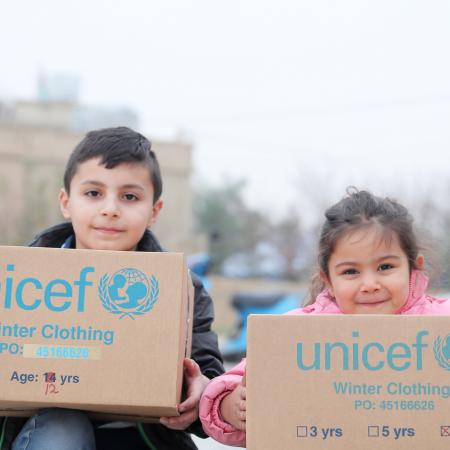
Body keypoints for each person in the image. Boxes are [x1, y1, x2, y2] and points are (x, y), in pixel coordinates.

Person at [1, 126, 223, 450]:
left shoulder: (181, 290)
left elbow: (210, 382)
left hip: (145, 438)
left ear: (154, 211)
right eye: (93, 193)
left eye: (129, 196)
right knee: (64, 426)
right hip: (51, 433)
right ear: (66, 202)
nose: (110, 209)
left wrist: (202, 391)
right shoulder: (18, 280)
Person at [199, 188, 450, 447]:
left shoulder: (443, 326)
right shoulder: (296, 334)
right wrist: (231, 406)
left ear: (413, 266)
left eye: (385, 267)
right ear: (328, 279)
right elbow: (236, 384)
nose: (370, 284)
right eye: (351, 271)